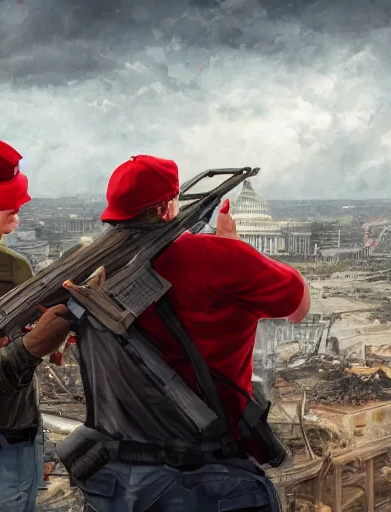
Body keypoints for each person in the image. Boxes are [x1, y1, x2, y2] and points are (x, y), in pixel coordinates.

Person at [72, 155, 309, 511]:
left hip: (119, 478)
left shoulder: (87, 271)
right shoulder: (214, 258)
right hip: (204, 478)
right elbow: (298, 307)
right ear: (169, 207)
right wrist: (235, 249)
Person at [0, 136, 72, 512]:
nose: (17, 210)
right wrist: (31, 348)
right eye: (6, 202)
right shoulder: (12, 268)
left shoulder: (15, 266)